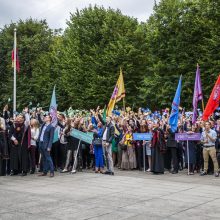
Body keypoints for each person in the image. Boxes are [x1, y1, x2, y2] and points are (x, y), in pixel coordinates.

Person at [10, 112, 31, 176]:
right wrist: (14, 139)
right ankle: (15, 170)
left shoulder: (25, 125)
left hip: (23, 143)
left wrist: (26, 113)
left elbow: (28, 121)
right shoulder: (14, 125)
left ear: (23, 119)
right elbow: (10, 134)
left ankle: (24, 171)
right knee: (14, 157)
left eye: (21, 117)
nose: (19, 118)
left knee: (23, 157)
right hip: (15, 143)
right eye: (18, 117)